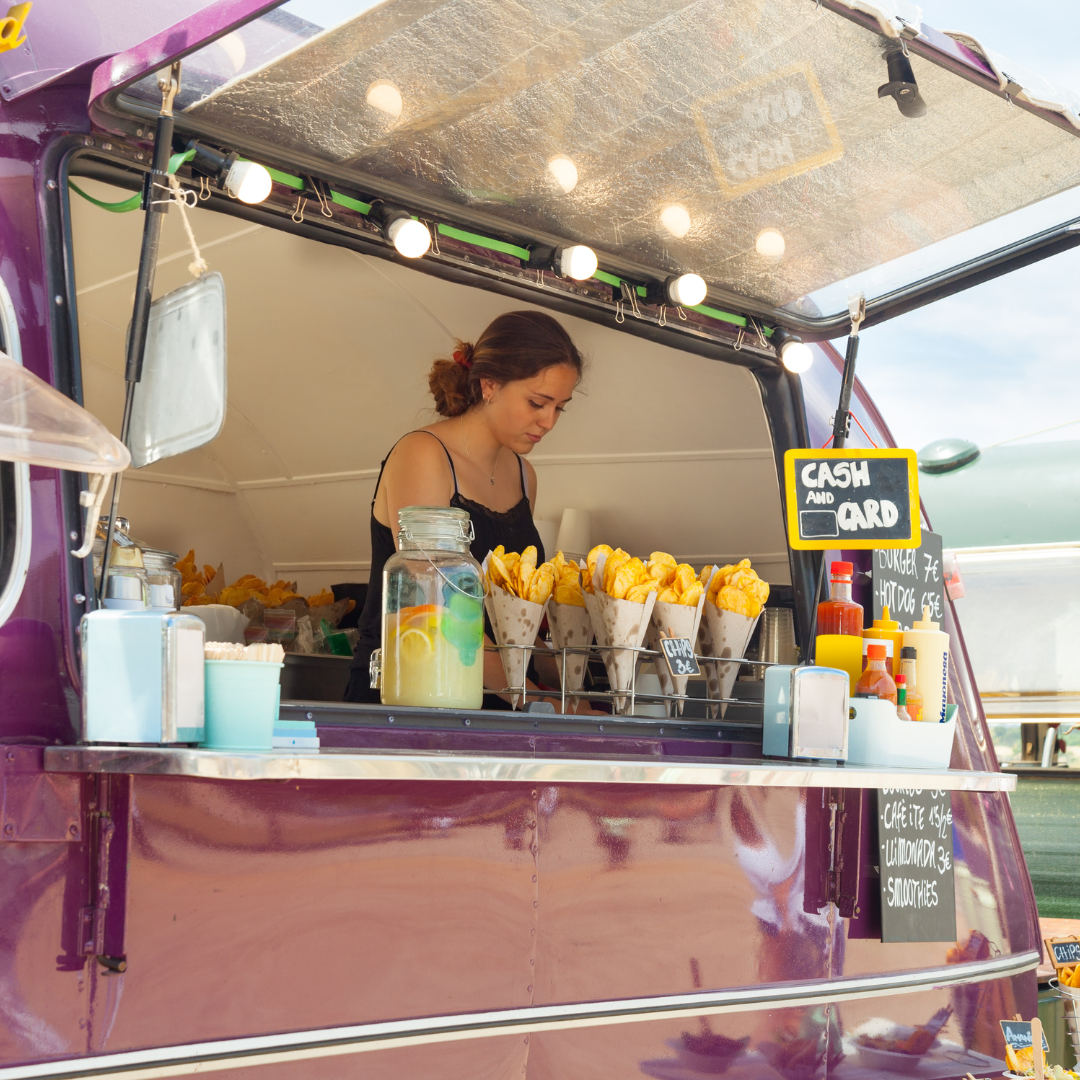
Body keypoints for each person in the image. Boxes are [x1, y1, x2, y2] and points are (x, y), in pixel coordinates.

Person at [345, 310, 590, 710]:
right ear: (489, 384)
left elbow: (509, 618)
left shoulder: (525, 475)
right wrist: (544, 700)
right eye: (537, 402)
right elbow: (435, 611)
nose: (548, 421)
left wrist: (572, 683)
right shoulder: (424, 455)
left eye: (560, 407)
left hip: (493, 697)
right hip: (413, 692)